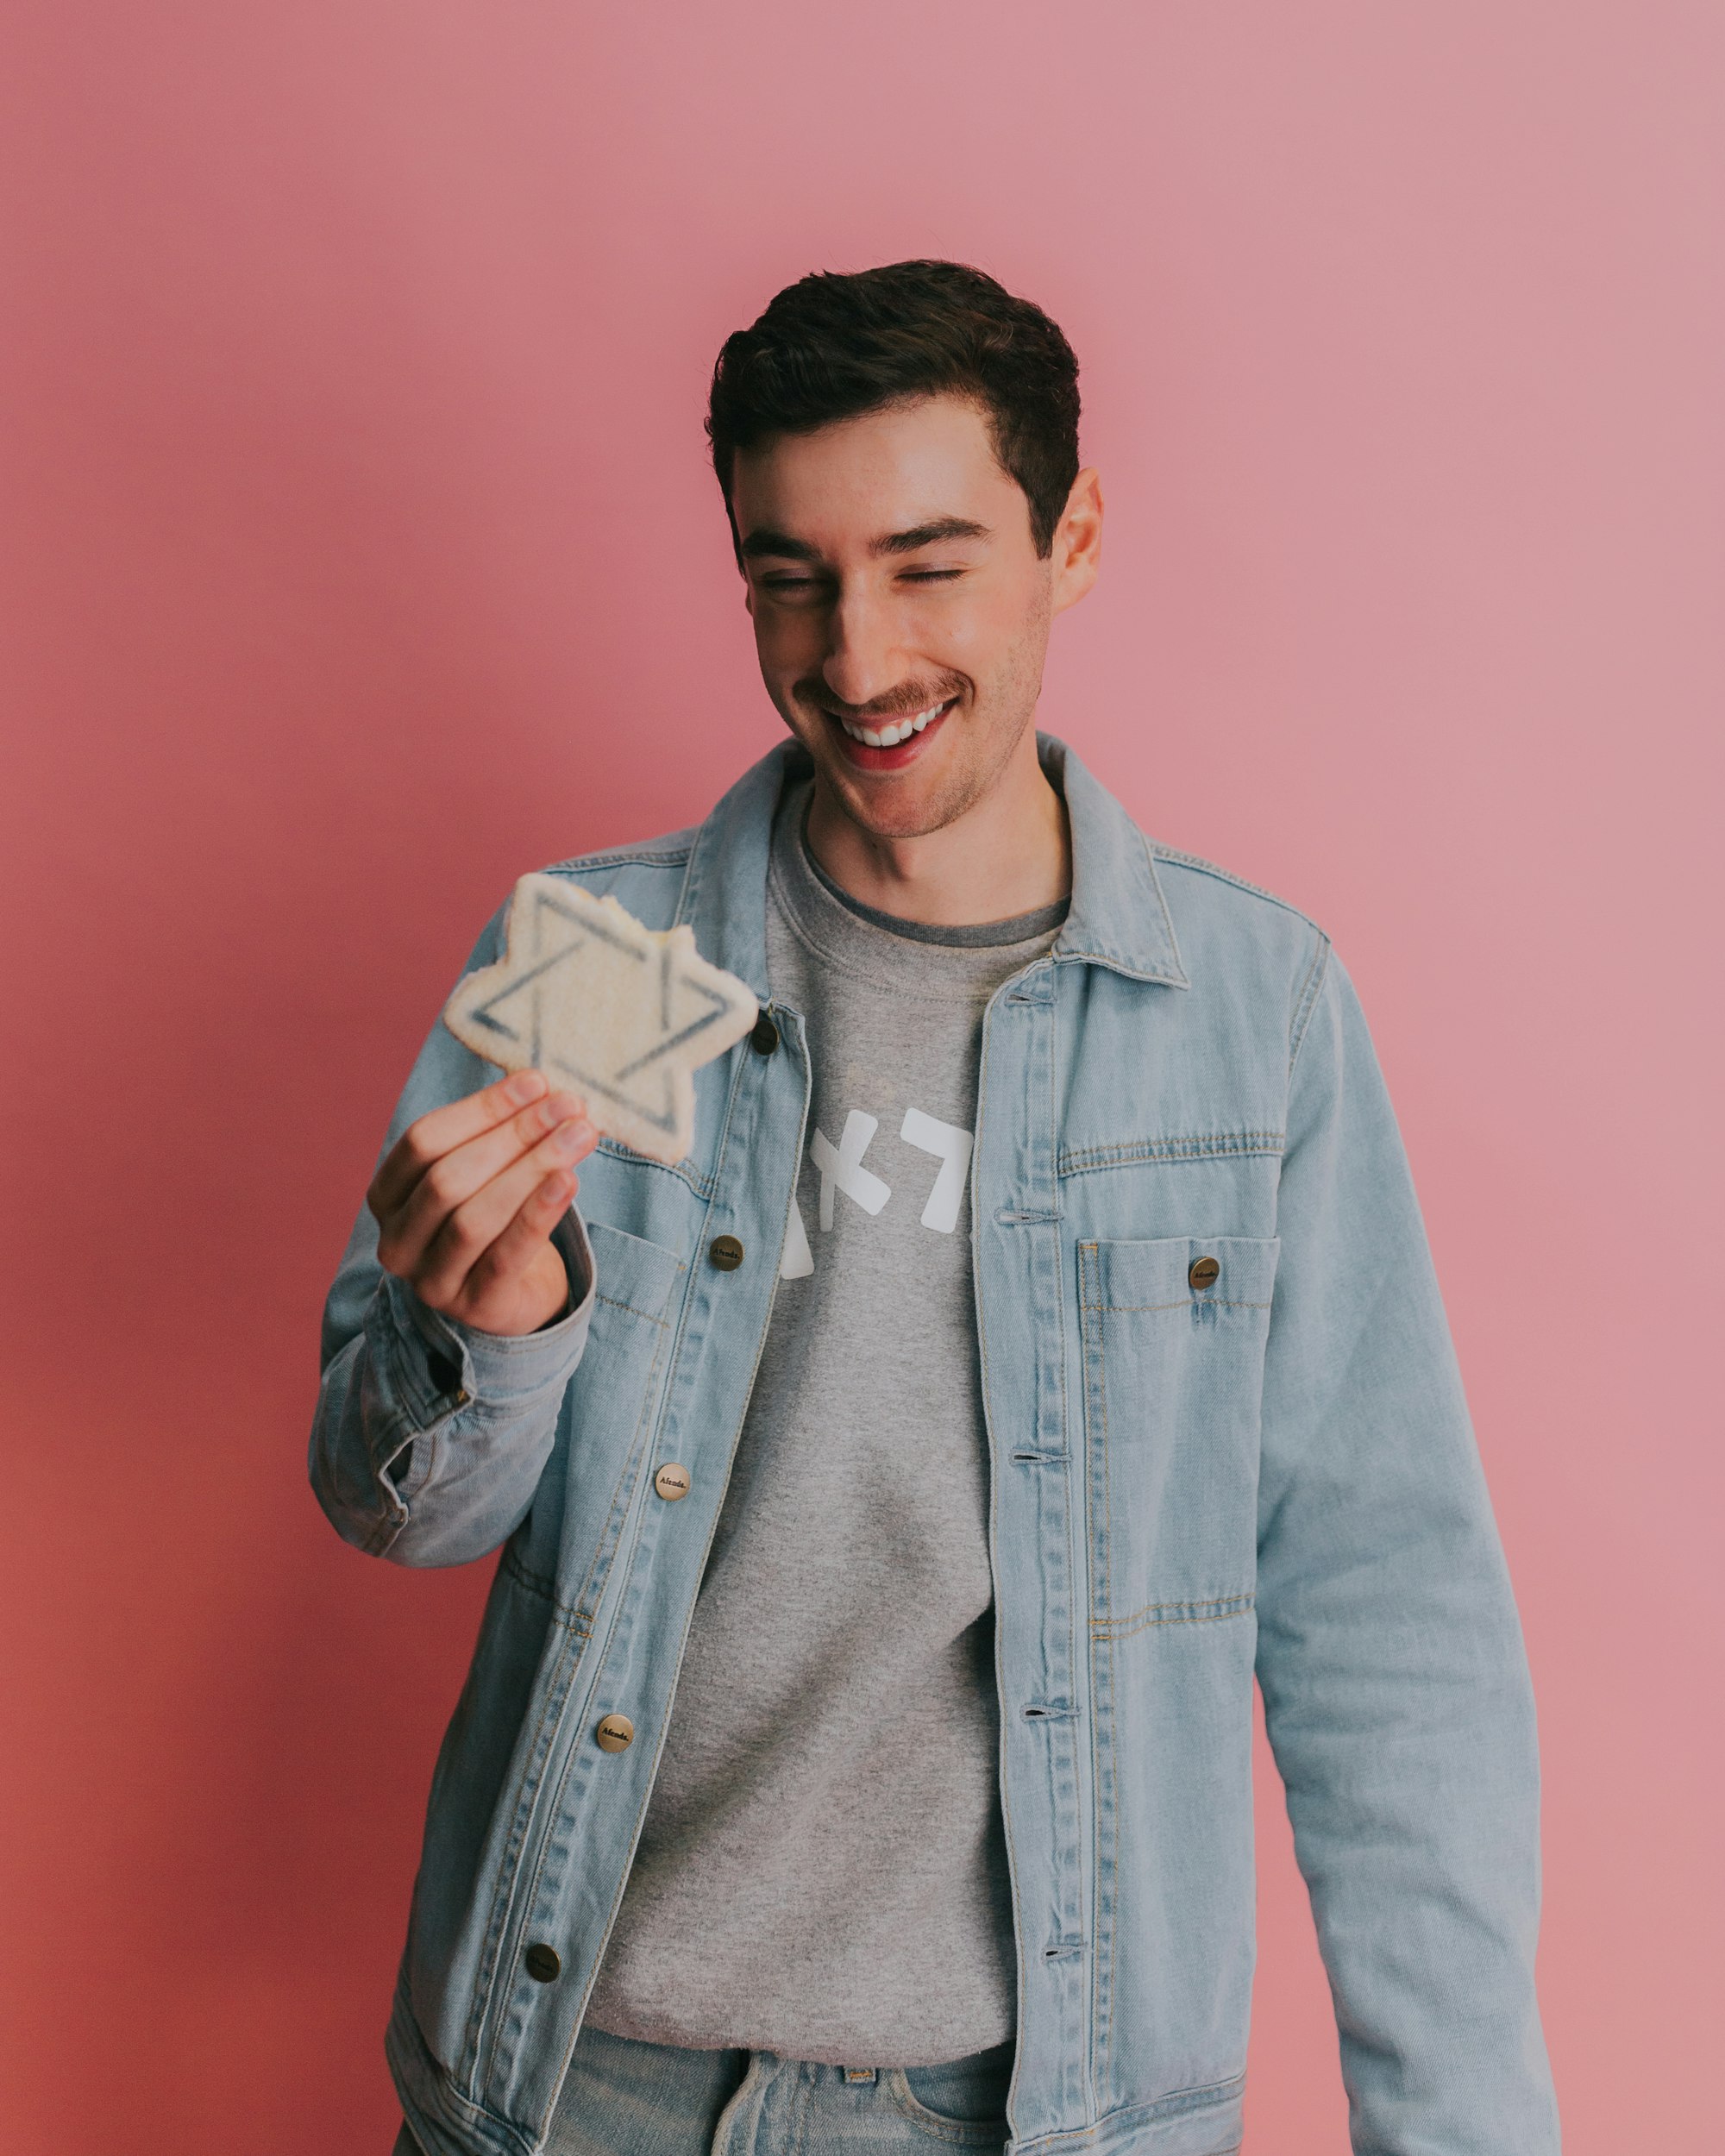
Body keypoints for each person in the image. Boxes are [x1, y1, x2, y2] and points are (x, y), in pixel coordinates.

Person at [310, 260, 1559, 2156]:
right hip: (577, 2086)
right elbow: (388, 1505)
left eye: (929, 561)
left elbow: (1390, 1628)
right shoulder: (596, 960)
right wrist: (479, 1332)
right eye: (787, 576)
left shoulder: (1251, 1021)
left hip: (1011, 2111)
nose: (859, 655)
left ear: (1072, 538)